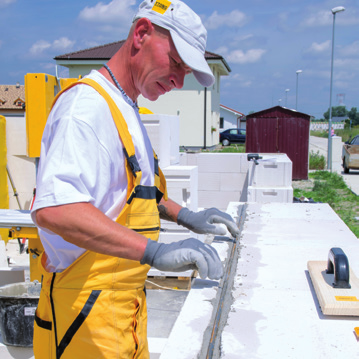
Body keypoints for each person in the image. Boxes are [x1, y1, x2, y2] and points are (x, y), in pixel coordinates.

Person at [31, 1, 240, 358]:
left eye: (186, 71)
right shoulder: (85, 109)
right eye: (176, 63)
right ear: (141, 33)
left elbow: (135, 194)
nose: (178, 80)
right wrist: (154, 252)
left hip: (121, 310)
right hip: (82, 323)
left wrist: (186, 216)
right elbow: (56, 209)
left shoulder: (126, 107)